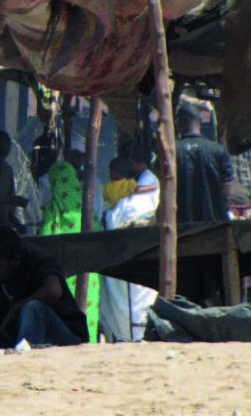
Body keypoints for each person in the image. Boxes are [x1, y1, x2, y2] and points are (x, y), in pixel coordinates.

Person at [99, 156, 160, 342]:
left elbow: (110, 217)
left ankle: (128, 334)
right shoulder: (139, 186)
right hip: (138, 251)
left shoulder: (112, 190)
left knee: (125, 296)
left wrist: (107, 216)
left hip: (126, 251)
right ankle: (132, 333)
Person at [40, 154, 99, 342]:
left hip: (65, 272)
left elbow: (45, 240)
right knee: (88, 307)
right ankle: (88, 339)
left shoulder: (53, 209)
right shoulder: (87, 206)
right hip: (90, 272)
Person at [175, 104, 233, 223]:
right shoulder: (218, 150)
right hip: (215, 224)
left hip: (182, 226)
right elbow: (227, 188)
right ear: (199, 123)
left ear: (181, 122)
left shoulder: (172, 151)